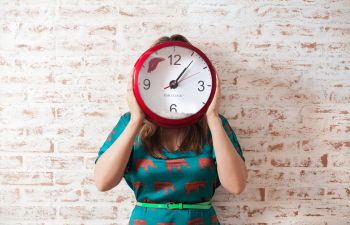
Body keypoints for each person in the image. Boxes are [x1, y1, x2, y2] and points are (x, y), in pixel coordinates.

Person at [94, 34, 248, 225]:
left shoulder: (214, 124)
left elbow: (236, 186)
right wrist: (136, 119)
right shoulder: (130, 123)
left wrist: (213, 116)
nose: (171, 84)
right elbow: (102, 182)